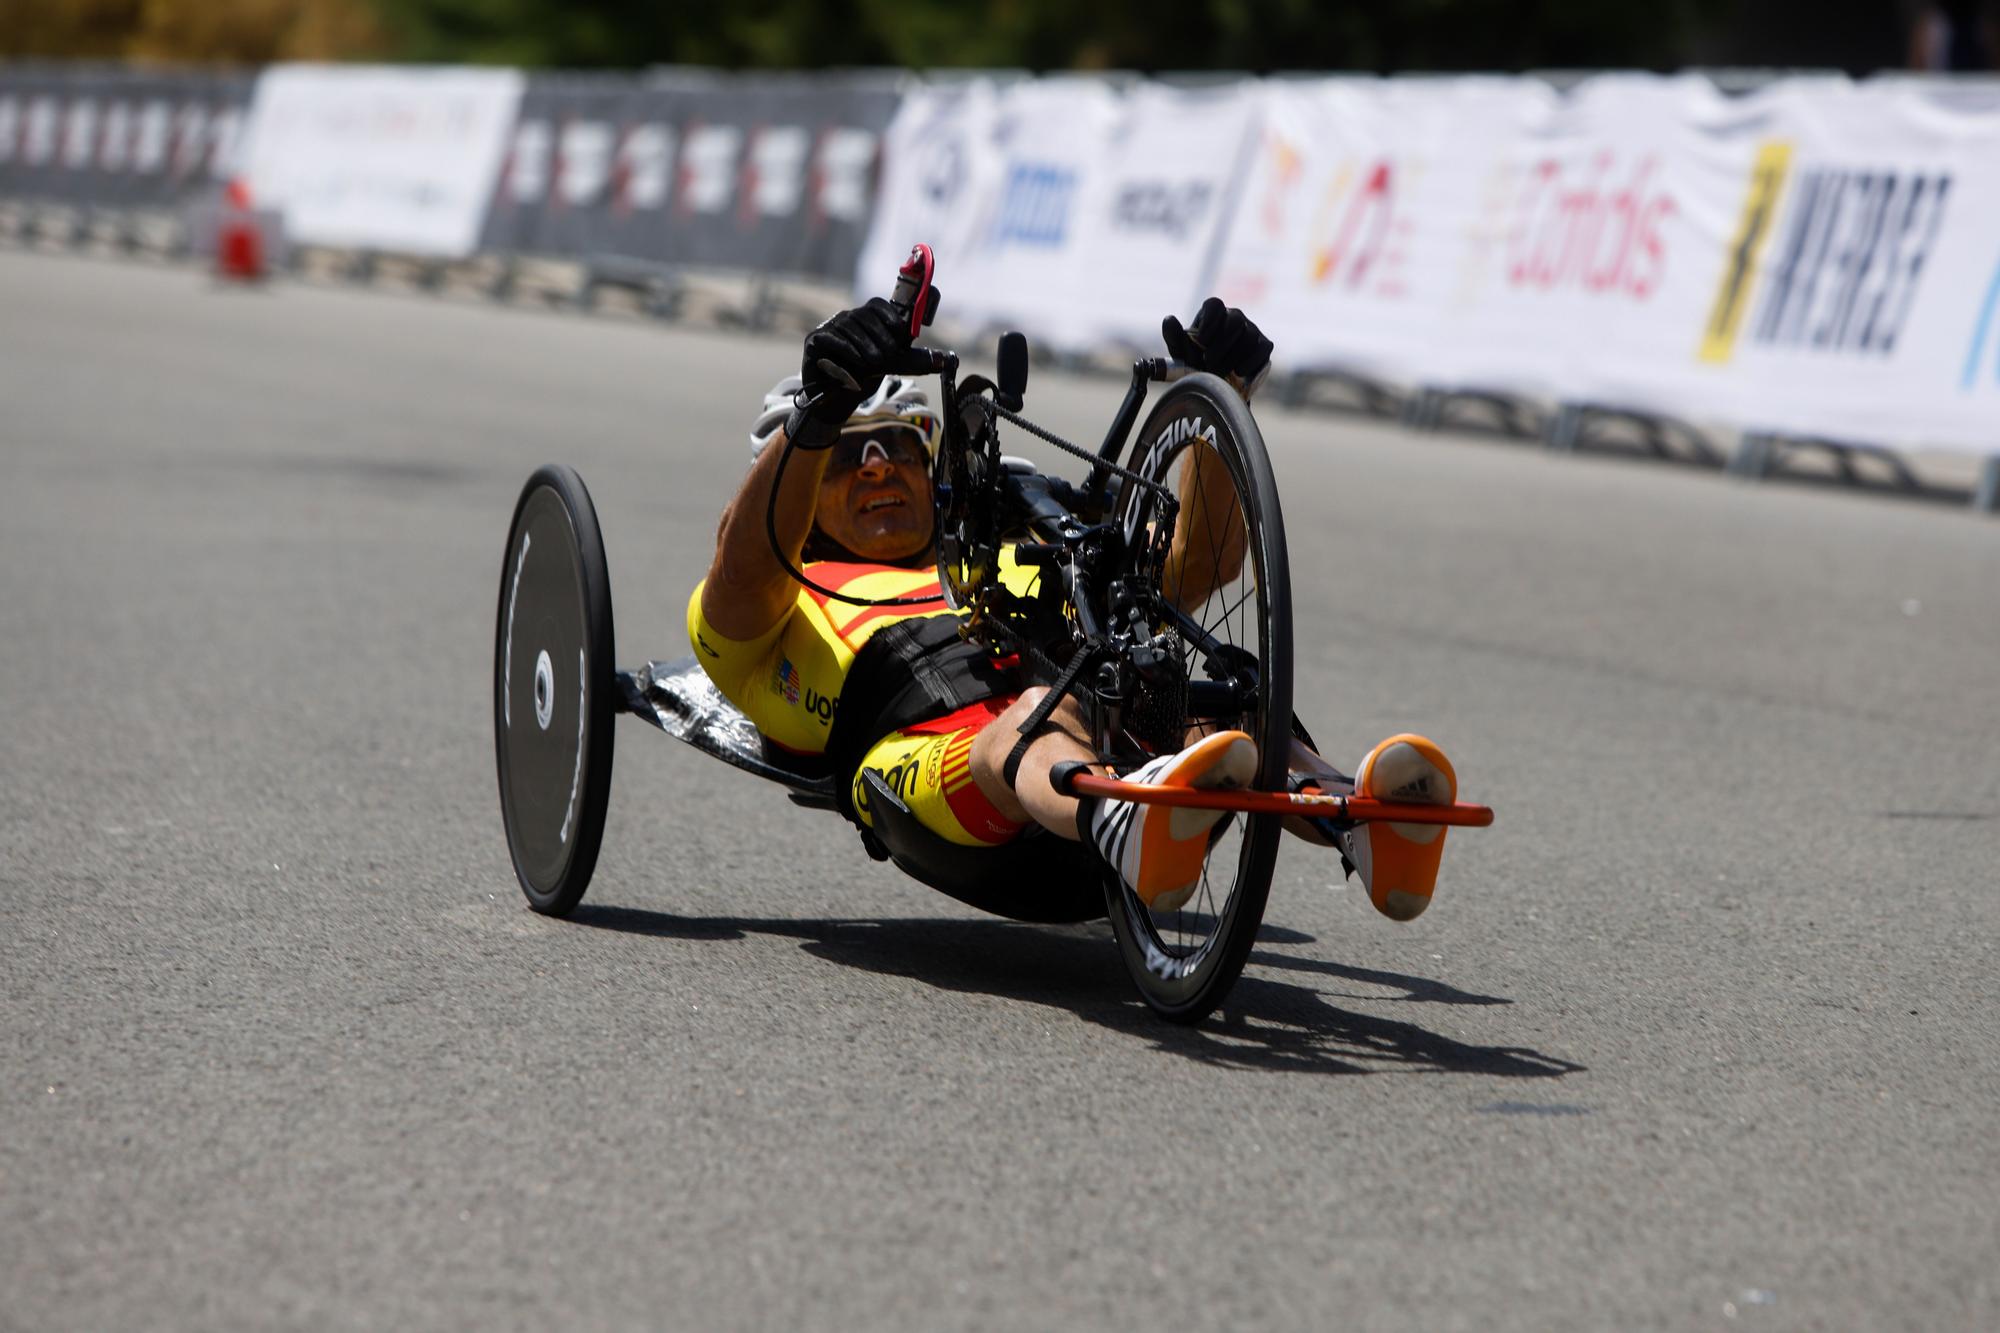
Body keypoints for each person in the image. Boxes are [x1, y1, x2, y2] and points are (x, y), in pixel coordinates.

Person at [688, 294, 1457, 920]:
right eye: (850, 455)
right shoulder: (779, 597)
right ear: (804, 496)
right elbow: (741, 563)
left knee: (1226, 701)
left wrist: (1222, 403)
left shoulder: (1004, 549)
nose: (879, 465)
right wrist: (819, 416)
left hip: (1112, 759)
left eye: (896, 445)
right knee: (1025, 718)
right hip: (944, 795)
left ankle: (1359, 816)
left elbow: (1199, 563)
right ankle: (1121, 820)